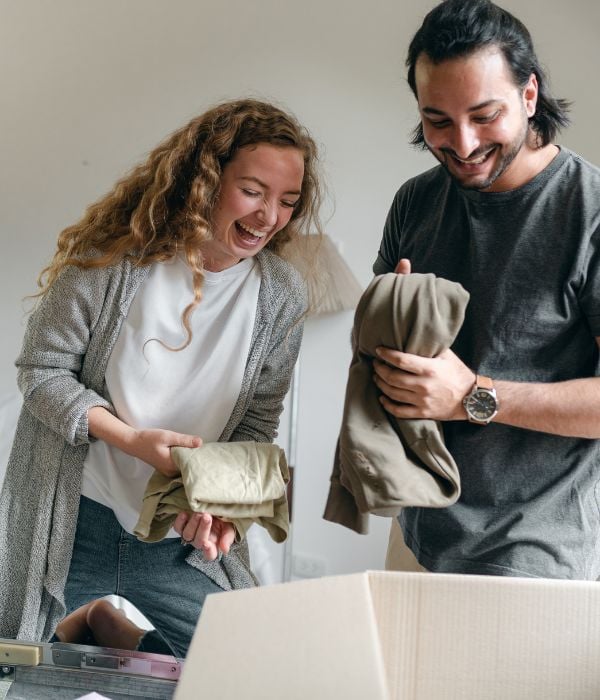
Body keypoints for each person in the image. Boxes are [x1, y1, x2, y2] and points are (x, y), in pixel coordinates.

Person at [0, 98, 324, 656]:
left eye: (287, 201)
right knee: (18, 663)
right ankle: (95, 620)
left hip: (174, 532)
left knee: (245, 667)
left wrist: (228, 509)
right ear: (205, 181)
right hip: (76, 516)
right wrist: (130, 440)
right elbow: (42, 371)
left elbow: (254, 428)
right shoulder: (111, 261)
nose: (269, 216)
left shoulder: (281, 295)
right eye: (252, 191)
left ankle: (108, 624)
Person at [372, 0, 600, 579]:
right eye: (438, 121)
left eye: (484, 114)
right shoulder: (415, 201)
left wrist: (473, 395)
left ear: (529, 95)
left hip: (534, 550)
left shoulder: (590, 211)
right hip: (418, 532)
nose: (464, 144)